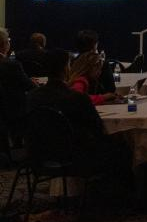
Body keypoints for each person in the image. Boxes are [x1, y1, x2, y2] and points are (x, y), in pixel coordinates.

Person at [26, 49, 133, 183]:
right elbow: (98, 129)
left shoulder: (32, 97)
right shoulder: (78, 98)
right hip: (76, 158)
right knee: (124, 147)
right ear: (66, 69)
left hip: (39, 156)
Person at [0, 29, 35, 146]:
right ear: (4, 44)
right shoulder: (11, 65)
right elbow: (30, 86)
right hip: (11, 112)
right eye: (8, 40)